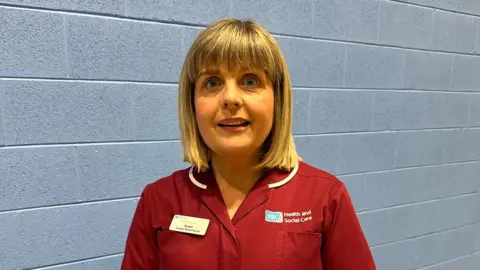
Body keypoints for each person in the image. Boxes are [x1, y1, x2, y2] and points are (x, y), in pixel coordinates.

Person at [121, 18, 376, 270]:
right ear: (192, 103)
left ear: (277, 99)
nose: (230, 98)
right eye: (212, 82)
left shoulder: (326, 198)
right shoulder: (157, 200)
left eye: (250, 81)